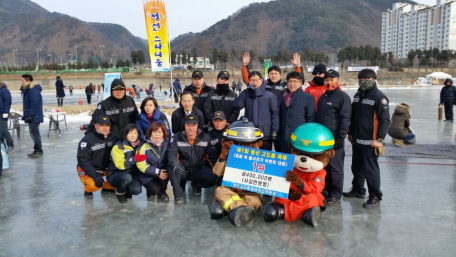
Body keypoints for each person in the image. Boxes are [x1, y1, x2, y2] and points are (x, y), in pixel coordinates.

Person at [345, 69, 390, 208]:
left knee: (371, 170)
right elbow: (354, 116)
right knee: (356, 167)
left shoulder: (379, 97)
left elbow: (385, 120)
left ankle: (375, 195)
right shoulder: (358, 95)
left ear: (373, 79)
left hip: (371, 142)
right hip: (357, 140)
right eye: (360, 79)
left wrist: (380, 139)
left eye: (366, 78)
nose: (362, 81)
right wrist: (351, 132)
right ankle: (358, 190)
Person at [210, 118, 264, 227]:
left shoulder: (261, 159)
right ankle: (239, 210)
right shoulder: (229, 154)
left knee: (256, 201)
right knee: (219, 191)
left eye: (249, 144)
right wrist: (223, 156)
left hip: (249, 191)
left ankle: (231, 208)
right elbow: (217, 173)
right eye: (240, 144)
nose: (244, 147)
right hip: (229, 188)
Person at [316, 69, 351, 204]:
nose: (329, 82)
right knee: (324, 167)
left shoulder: (343, 97)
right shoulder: (324, 97)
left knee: (335, 168)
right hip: (322, 141)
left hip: (335, 140)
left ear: (337, 81)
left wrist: (340, 137)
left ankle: (336, 193)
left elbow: (345, 119)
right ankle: (325, 191)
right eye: (326, 80)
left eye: (332, 80)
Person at [168, 114, 218, 204]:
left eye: (193, 125)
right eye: (188, 125)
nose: (190, 128)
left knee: (214, 176)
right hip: (183, 170)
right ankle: (178, 194)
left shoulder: (205, 138)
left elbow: (212, 156)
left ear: (197, 126)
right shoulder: (176, 138)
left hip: (199, 170)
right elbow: (172, 154)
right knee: (172, 169)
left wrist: (216, 169)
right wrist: (175, 165)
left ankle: (197, 184)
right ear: (184, 125)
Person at [233, 71, 279, 151]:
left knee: (264, 158)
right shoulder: (246, 94)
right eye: (252, 80)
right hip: (249, 133)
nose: (255, 82)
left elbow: (275, 114)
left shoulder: (269, 95)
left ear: (261, 80)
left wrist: (274, 130)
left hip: (265, 134)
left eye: (257, 80)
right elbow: (237, 106)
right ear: (249, 82)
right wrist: (244, 93)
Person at [77, 115, 118, 199]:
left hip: (106, 168)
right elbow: (83, 160)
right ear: (95, 126)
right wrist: (94, 175)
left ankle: (107, 187)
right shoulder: (87, 140)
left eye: (107, 125)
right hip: (90, 169)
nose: (105, 128)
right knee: (93, 185)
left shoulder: (113, 137)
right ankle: (87, 190)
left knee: (120, 179)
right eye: (102, 125)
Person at [278, 71, 315, 154]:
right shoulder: (282, 96)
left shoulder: (307, 98)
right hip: (283, 134)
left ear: (301, 83)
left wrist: (307, 134)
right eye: (290, 81)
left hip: (299, 135)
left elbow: (310, 118)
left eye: (295, 81)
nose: (292, 84)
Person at [107, 124, 143, 203]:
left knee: (137, 190)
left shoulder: (140, 145)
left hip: (131, 174)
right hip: (116, 174)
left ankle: (127, 189)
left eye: (134, 133)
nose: (132, 135)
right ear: (125, 134)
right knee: (126, 177)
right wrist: (135, 159)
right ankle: (120, 192)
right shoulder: (118, 147)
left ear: (138, 134)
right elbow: (121, 165)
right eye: (130, 133)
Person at [136, 122, 170, 201]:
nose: (157, 134)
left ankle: (163, 191)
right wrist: (157, 172)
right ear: (150, 133)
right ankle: (151, 190)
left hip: (162, 170)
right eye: (154, 132)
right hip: (147, 174)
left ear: (163, 133)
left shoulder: (168, 143)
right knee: (155, 190)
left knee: (167, 171)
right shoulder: (144, 145)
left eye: (159, 132)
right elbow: (141, 164)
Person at [21, 74, 44, 158]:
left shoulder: (33, 90)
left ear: (28, 81)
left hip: (34, 116)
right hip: (32, 115)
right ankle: (37, 150)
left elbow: (34, 104)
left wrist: (30, 115)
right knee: (34, 133)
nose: (21, 82)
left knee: (35, 134)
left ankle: (39, 151)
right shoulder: (29, 90)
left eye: (22, 80)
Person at [0, 81, 14, 153]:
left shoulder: (4, 91)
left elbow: (7, 102)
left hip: (2, 114)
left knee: (4, 130)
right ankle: (2, 145)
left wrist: (6, 112)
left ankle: (10, 145)